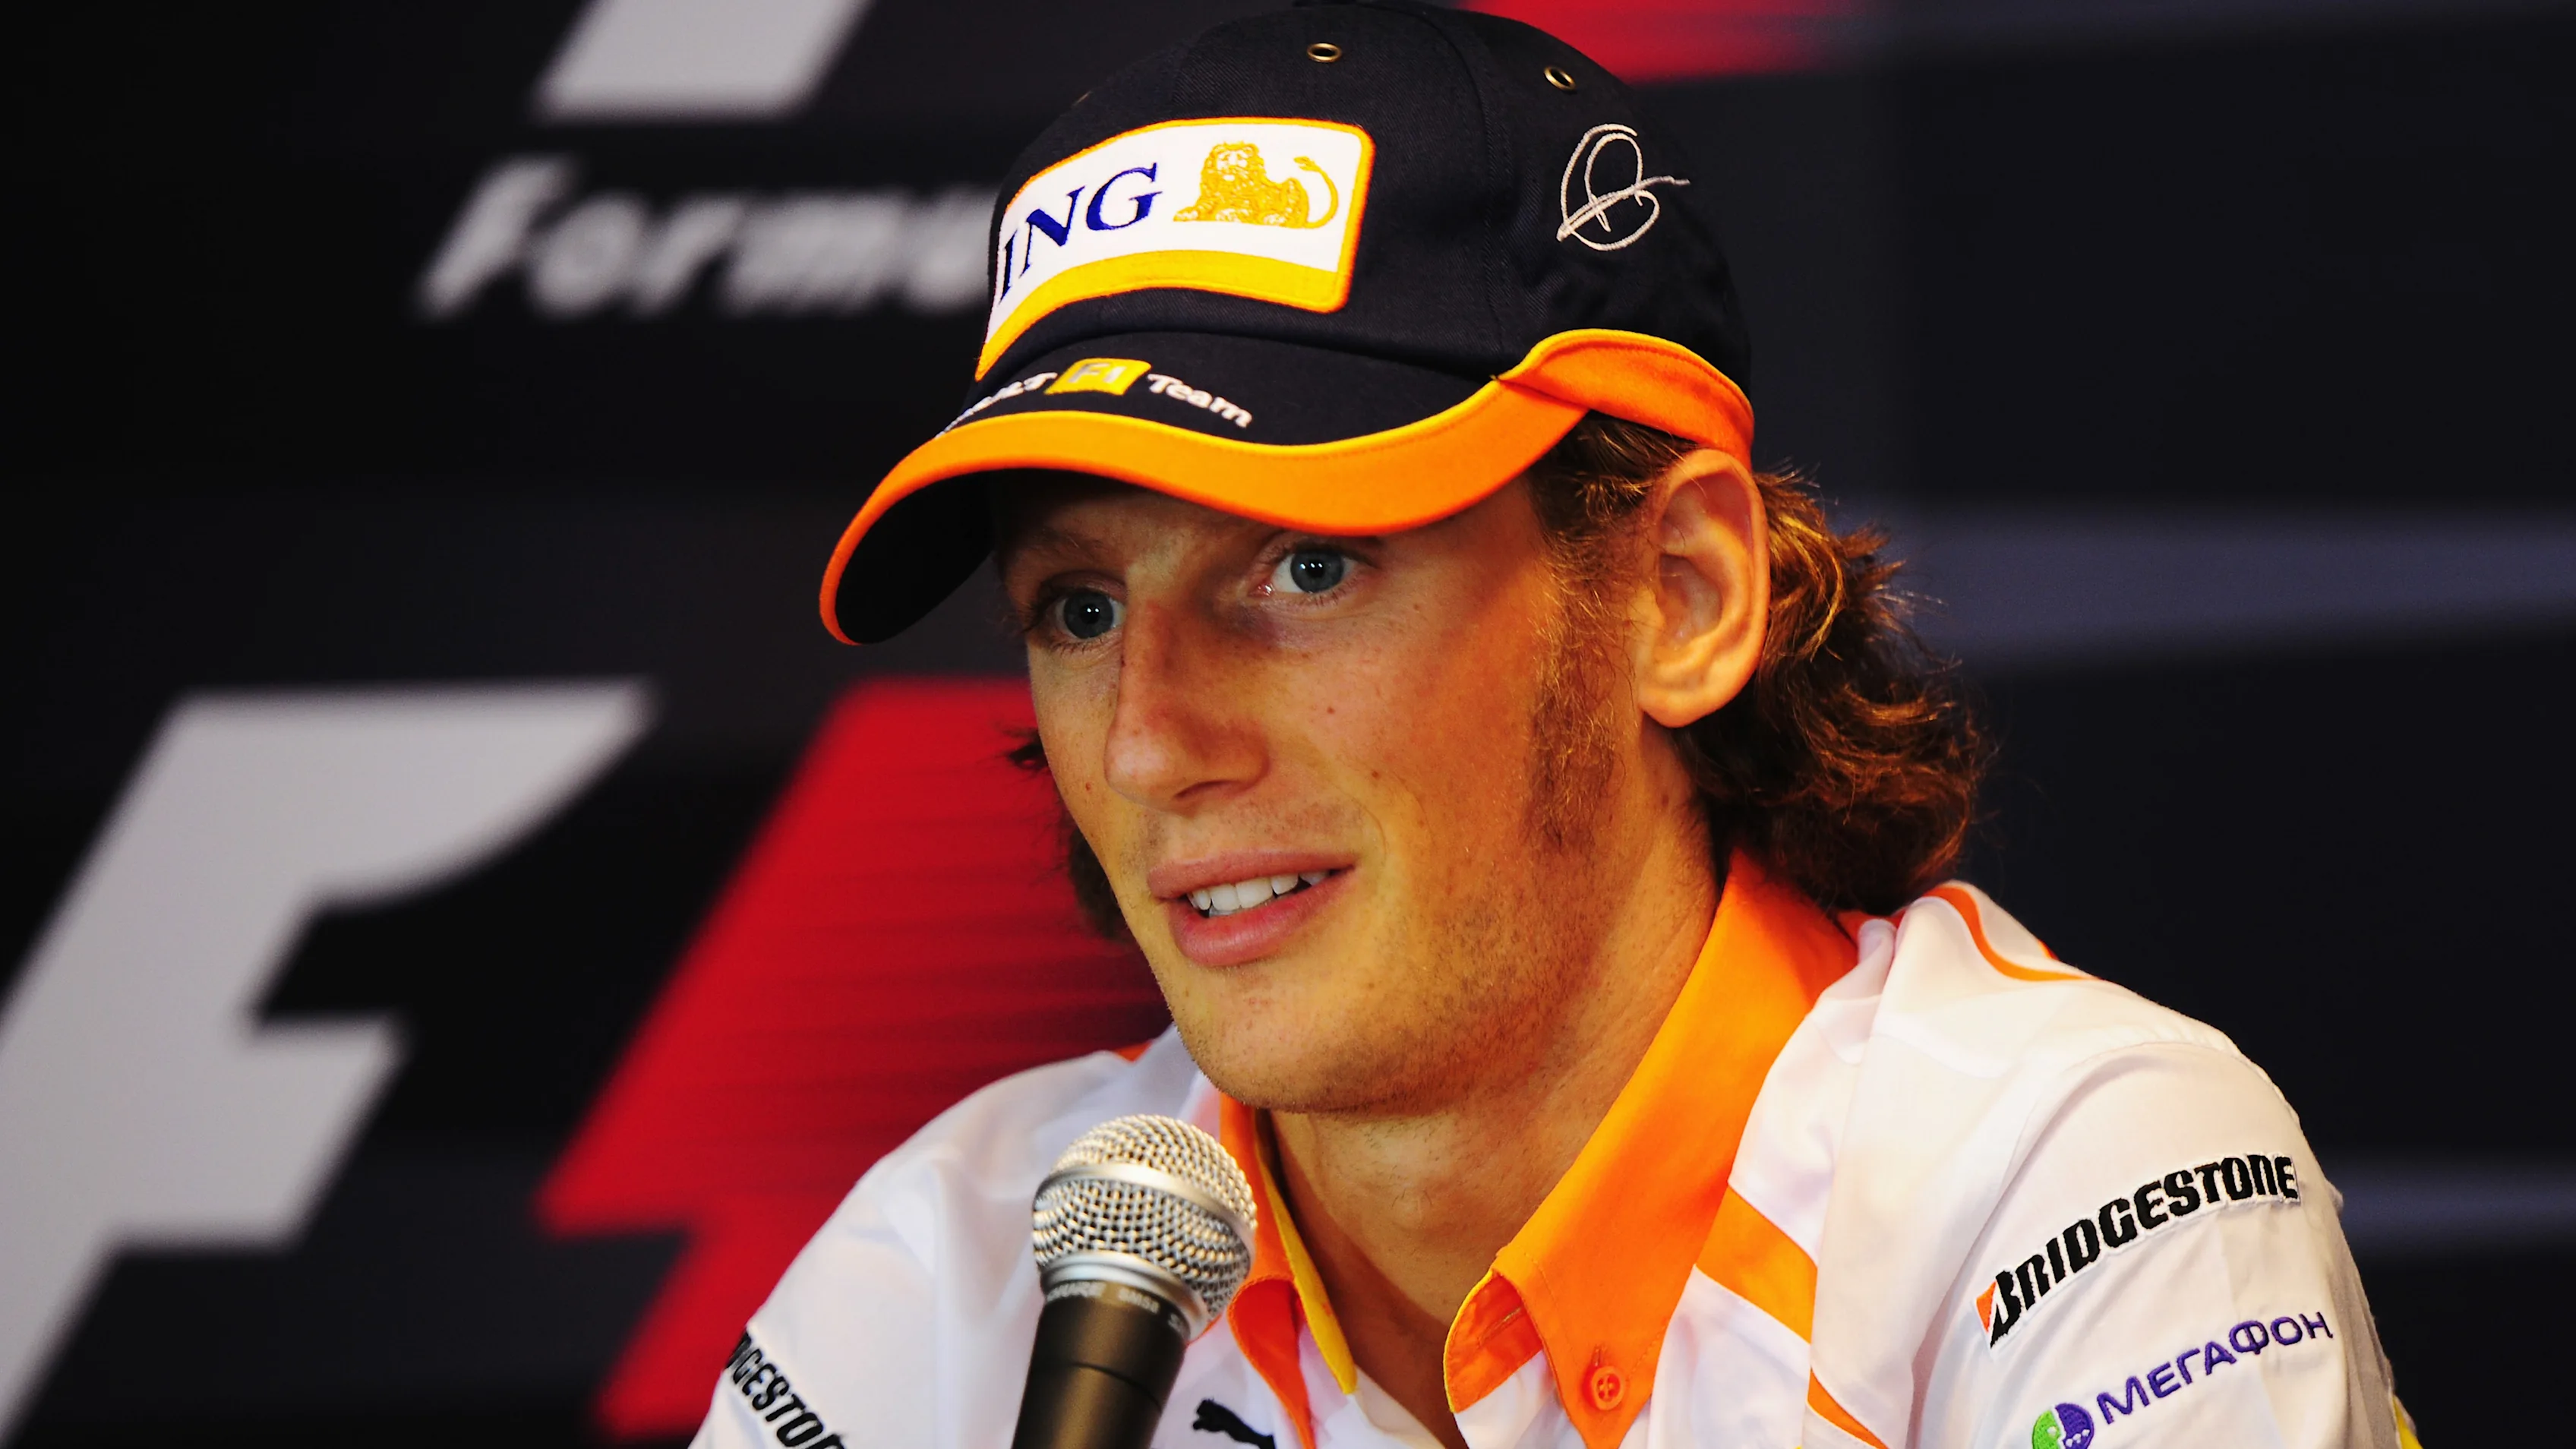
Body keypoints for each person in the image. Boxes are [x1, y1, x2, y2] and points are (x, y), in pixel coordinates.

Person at [696, 3, 2417, 1445]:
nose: (1149, 745)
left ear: (1679, 594)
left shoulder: (2071, 1188)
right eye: (1078, 610)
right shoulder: (967, 1260)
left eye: (1307, 567)